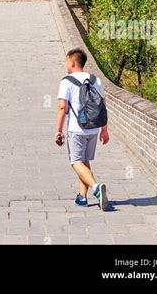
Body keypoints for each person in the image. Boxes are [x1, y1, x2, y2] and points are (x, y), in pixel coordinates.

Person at [55, 48, 110, 210]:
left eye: (66, 61)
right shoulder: (95, 80)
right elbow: (103, 106)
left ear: (72, 62)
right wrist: (104, 130)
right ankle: (82, 197)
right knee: (84, 162)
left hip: (76, 129)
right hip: (93, 128)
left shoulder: (67, 81)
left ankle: (96, 188)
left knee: (76, 162)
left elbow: (62, 107)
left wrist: (58, 130)